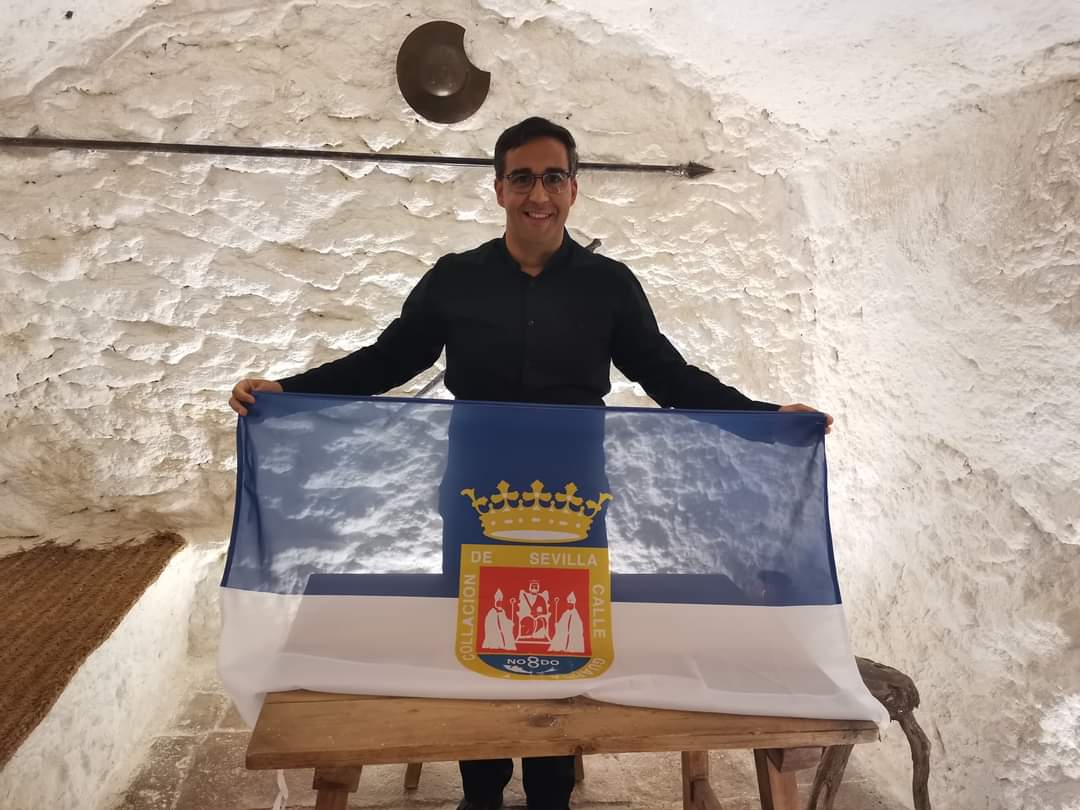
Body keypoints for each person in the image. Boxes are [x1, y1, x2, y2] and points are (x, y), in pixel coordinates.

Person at [230, 116, 833, 810]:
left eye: (552, 178)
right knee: (479, 635)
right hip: (476, 490)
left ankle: (551, 793)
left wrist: (765, 419)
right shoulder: (454, 279)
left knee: (561, 640)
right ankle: (481, 792)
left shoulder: (611, 285)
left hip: (575, 495)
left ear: (573, 190)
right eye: (522, 178)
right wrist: (288, 394)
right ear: (499, 189)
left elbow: (669, 376)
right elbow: (386, 360)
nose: (537, 194)